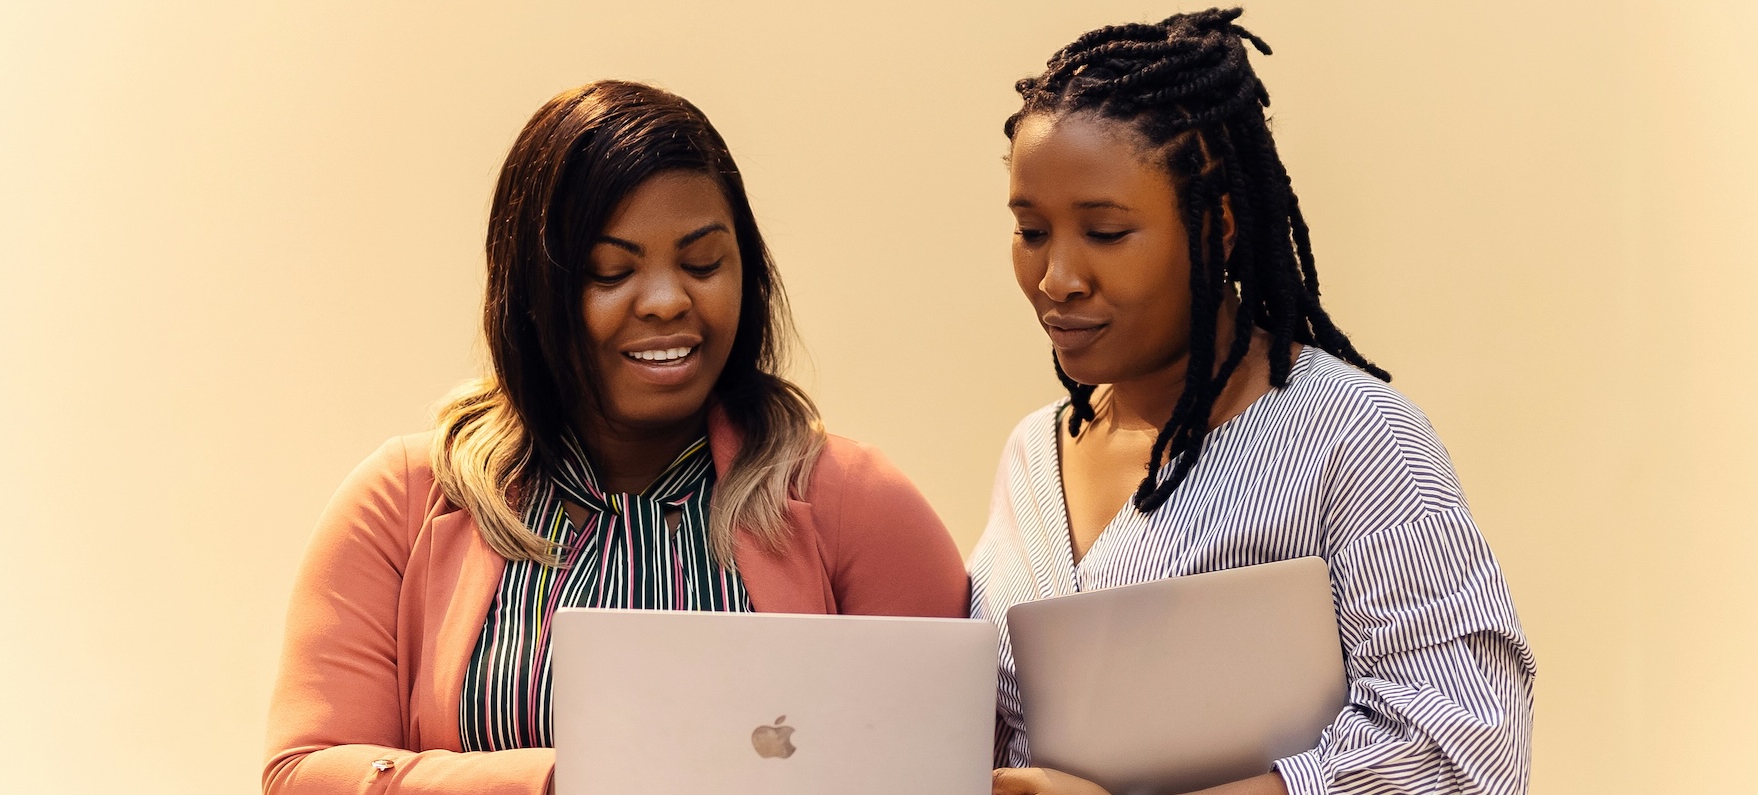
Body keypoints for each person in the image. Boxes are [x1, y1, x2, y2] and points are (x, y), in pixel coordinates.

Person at [263, 80, 968, 795]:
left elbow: (956, 766)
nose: (667, 300)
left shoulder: (855, 503)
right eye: (611, 271)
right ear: (533, 295)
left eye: (702, 264)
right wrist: (561, 781)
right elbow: (303, 772)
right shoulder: (407, 499)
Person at [970, 9, 1536, 795]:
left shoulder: (1354, 438)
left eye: (1104, 232)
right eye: (1031, 231)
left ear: (1218, 228)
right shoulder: (1033, 454)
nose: (1057, 276)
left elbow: (1465, 743)